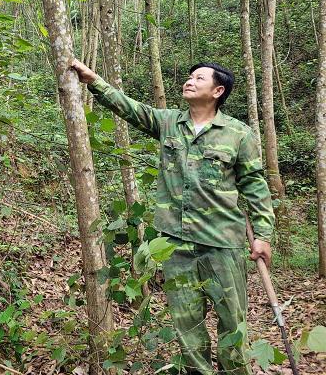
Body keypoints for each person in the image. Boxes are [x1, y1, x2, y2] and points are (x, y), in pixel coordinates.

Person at [71, 60, 275, 375]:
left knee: (233, 328)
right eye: (190, 76)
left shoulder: (238, 134)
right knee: (188, 332)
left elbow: (255, 187)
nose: (190, 81)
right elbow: (130, 109)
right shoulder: (168, 123)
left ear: (218, 91)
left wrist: (262, 236)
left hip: (222, 246)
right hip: (176, 247)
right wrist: (94, 80)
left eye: (199, 78)